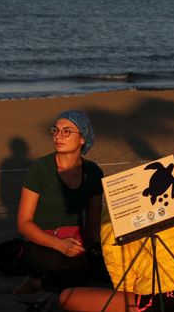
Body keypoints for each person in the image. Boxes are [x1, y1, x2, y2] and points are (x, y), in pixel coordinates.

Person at [59, 194, 174, 312]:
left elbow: (119, 267)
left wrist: (126, 295)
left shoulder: (113, 213)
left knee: (67, 298)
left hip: (162, 306)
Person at [13, 110, 107, 294]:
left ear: (82, 138)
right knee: (72, 280)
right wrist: (61, 245)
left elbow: (93, 223)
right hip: (41, 242)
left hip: (75, 240)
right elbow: (24, 224)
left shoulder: (93, 172)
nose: (58, 136)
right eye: (56, 130)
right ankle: (35, 284)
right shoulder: (41, 168)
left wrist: (91, 248)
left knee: (106, 273)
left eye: (67, 131)